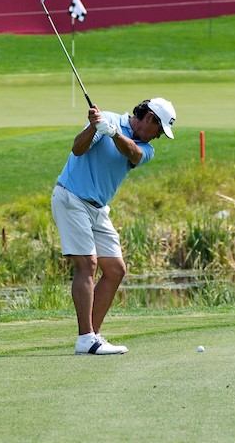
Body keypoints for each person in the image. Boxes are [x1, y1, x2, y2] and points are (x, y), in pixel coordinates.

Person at [51, 97, 176, 355]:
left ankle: (92, 336)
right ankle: (86, 338)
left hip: (98, 209)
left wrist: (114, 134)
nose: (158, 136)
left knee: (115, 269)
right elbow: (77, 149)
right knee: (88, 264)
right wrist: (93, 127)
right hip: (71, 198)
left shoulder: (146, 148)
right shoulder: (107, 118)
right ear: (149, 118)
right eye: (159, 130)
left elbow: (133, 153)